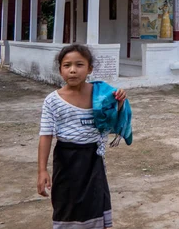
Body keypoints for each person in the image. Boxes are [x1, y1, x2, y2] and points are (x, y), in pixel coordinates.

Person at [37, 44, 132, 229]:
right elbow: (46, 135)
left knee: (96, 202)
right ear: (60, 70)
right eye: (67, 65)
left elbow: (113, 123)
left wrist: (120, 103)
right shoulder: (52, 100)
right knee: (66, 203)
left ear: (90, 69)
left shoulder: (102, 96)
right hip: (66, 160)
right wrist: (42, 170)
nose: (73, 70)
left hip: (93, 159)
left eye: (79, 65)